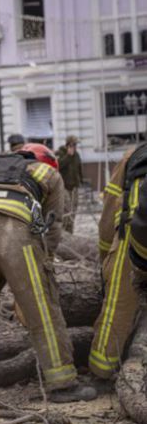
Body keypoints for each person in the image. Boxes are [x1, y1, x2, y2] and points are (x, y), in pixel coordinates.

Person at [0, 143, 96, 403]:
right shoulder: (49, 174)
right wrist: (47, 260)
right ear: (46, 160)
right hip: (16, 236)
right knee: (42, 312)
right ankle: (62, 384)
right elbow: (54, 223)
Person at [90, 144, 146, 381]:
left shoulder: (132, 156)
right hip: (137, 233)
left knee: (117, 308)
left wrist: (106, 258)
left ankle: (102, 371)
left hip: (132, 237)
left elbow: (109, 210)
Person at [57, 135, 84, 234]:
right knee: (66, 210)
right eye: (73, 144)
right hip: (64, 187)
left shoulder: (76, 155)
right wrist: (68, 156)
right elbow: (58, 166)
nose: (75, 147)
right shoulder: (60, 153)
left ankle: (70, 231)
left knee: (73, 210)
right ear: (68, 144)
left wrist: (81, 180)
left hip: (74, 187)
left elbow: (79, 167)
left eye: (76, 145)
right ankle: (63, 231)